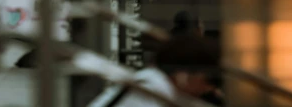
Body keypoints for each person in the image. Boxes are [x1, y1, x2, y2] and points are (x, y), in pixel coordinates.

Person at [87, 34, 221, 107]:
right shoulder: (150, 87)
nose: (210, 88)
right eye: (210, 80)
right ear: (183, 74)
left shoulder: (157, 85)